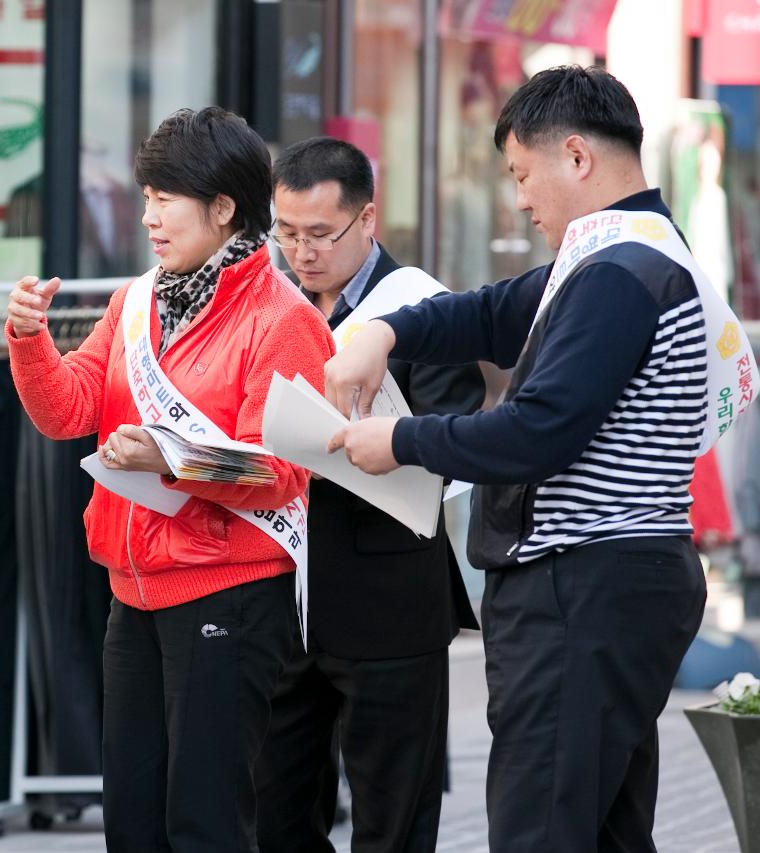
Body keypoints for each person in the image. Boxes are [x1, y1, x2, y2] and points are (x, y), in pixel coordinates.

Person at [324, 66, 713, 851]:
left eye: (522, 174)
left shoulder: (618, 272)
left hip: (585, 583)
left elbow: (540, 428)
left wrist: (399, 441)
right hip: (612, 584)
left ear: (576, 157)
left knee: (542, 831)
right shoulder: (618, 254)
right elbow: (495, 313)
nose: (521, 200)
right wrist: (386, 331)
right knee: (602, 828)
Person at [5, 106, 333, 852]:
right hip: (135, 590)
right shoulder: (133, 301)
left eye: (166, 199)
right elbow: (69, 410)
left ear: (223, 209)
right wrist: (28, 339)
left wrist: (170, 457)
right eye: (146, 195)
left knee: (206, 819)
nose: (149, 216)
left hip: (232, 589)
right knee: (133, 817)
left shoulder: (280, 316)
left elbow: (282, 469)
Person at [256, 137, 483, 853]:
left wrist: (379, 442)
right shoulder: (270, 303)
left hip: (390, 600)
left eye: (321, 233)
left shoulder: (420, 307)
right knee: (273, 814)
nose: (302, 251)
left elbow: (457, 438)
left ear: (368, 219)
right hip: (284, 598)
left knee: (394, 819)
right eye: (286, 232)